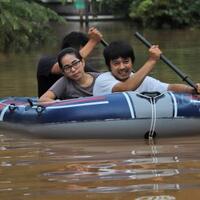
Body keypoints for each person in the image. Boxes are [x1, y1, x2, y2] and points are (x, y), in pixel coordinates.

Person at [93, 41, 200, 96]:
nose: (122, 67)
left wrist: (192, 89)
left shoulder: (142, 80)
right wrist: (152, 60)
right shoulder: (103, 79)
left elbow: (170, 88)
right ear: (109, 66)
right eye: (116, 63)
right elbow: (126, 88)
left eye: (126, 62)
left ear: (132, 62)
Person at [37, 27, 100, 97]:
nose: (73, 69)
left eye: (76, 63)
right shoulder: (46, 62)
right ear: (81, 48)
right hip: (49, 103)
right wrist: (92, 42)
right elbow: (59, 68)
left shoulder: (80, 65)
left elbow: (101, 76)